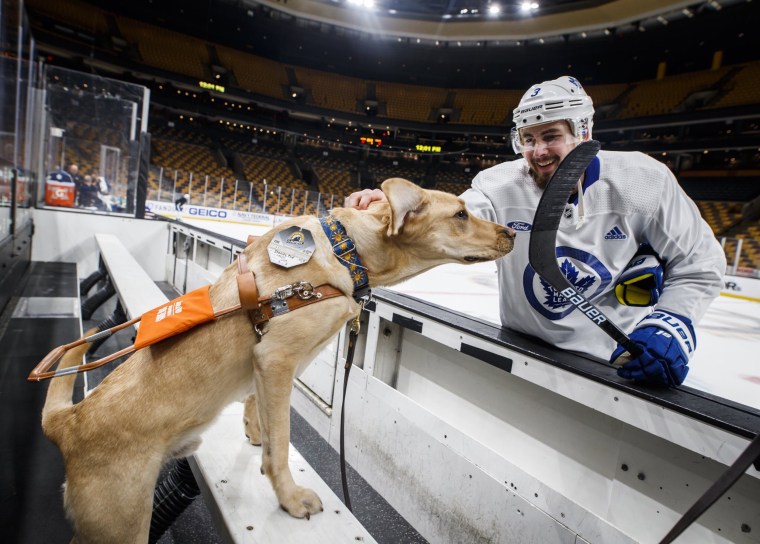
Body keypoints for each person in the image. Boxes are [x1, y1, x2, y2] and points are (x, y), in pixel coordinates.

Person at [345, 75, 726, 388]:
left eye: (550, 136)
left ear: (584, 130)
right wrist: (384, 210)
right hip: (518, 352)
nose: (538, 151)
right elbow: (447, 224)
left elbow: (699, 262)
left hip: (610, 366)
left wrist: (672, 322)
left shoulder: (643, 181)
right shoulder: (498, 184)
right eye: (528, 139)